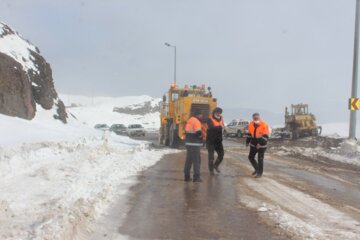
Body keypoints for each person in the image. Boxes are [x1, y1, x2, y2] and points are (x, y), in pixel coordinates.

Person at [246, 113, 270, 178]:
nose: (256, 119)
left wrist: (259, 144)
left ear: (259, 118)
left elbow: (265, 136)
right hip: (253, 144)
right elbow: (249, 134)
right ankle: (257, 169)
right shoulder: (251, 124)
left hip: (262, 145)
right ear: (253, 118)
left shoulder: (264, 125)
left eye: (257, 118)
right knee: (250, 157)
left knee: (260, 158)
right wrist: (247, 142)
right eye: (254, 118)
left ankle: (260, 173)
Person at [184, 110, 204, 182]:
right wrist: (202, 138)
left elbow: (186, 131)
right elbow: (198, 133)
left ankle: (187, 177)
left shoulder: (189, 120)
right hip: (195, 144)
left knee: (188, 161)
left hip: (188, 144)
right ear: (197, 115)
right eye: (201, 115)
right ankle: (196, 177)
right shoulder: (197, 121)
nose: (202, 116)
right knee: (197, 161)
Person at [206, 107, 225, 174]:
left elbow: (222, 126)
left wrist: (224, 128)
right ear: (214, 112)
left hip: (218, 140)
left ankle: (216, 165)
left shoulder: (221, 118)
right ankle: (211, 171)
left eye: (220, 112)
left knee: (221, 155)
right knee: (211, 157)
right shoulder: (209, 118)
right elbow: (211, 127)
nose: (219, 113)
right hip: (210, 140)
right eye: (217, 112)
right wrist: (220, 127)